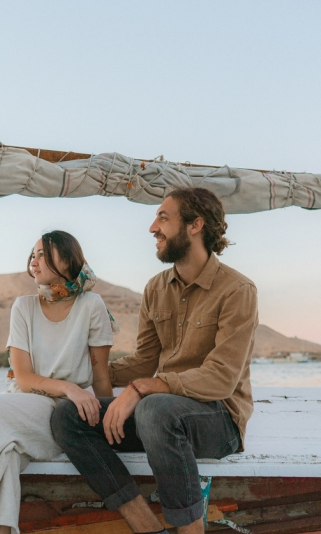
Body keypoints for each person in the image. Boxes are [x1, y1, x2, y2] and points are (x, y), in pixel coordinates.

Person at [51, 187, 258, 534]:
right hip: (159, 418)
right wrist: (73, 374)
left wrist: (141, 390)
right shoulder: (155, 287)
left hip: (218, 418)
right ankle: (147, 527)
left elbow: (221, 378)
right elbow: (145, 361)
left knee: (154, 408)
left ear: (195, 225)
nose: (152, 228)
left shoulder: (238, 290)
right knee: (68, 417)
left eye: (163, 217)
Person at [0, 230, 116, 534]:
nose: (34, 260)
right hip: (26, 404)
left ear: (67, 260)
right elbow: (25, 379)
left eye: (44, 253)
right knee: (5, 455)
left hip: (64, 416)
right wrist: (70, 387)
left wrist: (110, 424)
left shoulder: (92, 305)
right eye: (33, 253)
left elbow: (101, 375)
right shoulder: (23, 307)